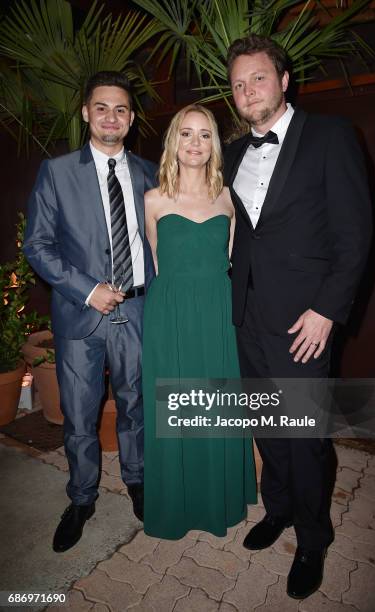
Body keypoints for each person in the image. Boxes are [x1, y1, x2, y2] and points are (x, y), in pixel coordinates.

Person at [223, 35, 372, 599]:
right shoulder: (234, 154)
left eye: (257, 78)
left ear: (284, 80)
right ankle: (278, 508)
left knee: (305, 432)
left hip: (305, 320)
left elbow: (355, 235)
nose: (247, 91)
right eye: (238, 84)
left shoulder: (332, 136)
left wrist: (328, 312)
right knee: (266, 424)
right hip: (247, 316)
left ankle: (313, 537)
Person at [23, 71, 157, 552]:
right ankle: (81, 498)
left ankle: (138, 482)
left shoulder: (149, 172)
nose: (111, 117)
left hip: (140, 313)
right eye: (102, 107)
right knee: (79, 417)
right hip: (81, 317)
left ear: (131, 118)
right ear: (86, 113)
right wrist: (87, 289)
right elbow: (36, 245)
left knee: (136, 406)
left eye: (120, 109)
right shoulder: (56, 172)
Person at [143, 104, 257, 539]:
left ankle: (217, 503)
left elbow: (230, 259)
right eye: (187, 134)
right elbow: (157, 261)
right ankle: (174, 505)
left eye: (205, 135)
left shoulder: (229, 198)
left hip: (216, 313)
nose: (195, 143)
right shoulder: (153, 199)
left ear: (215, 144)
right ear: (174, 141)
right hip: (169, 315)